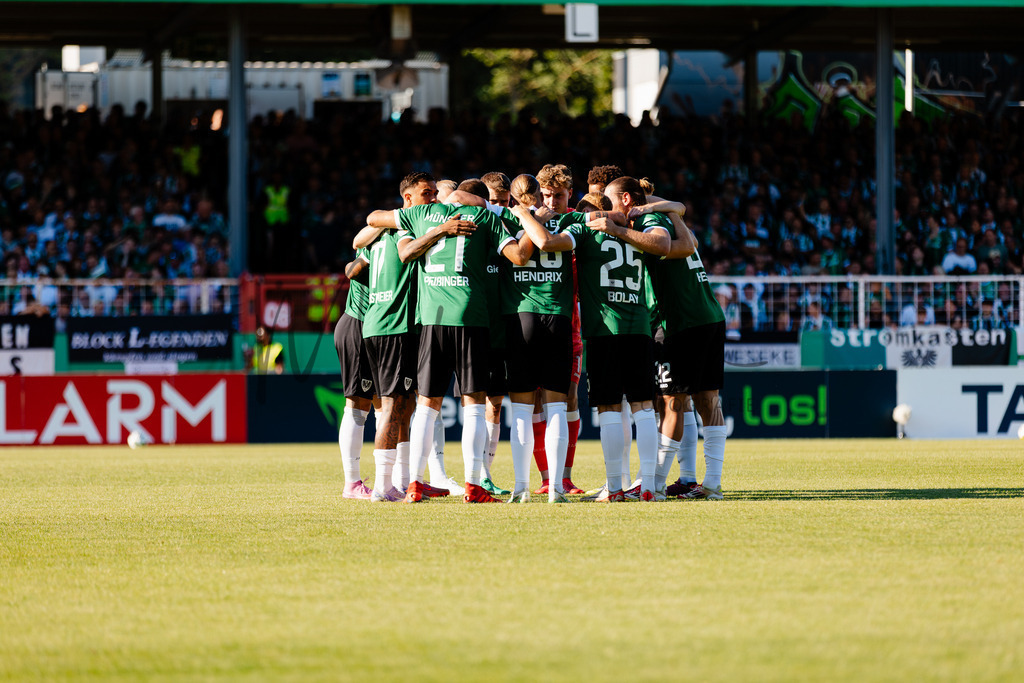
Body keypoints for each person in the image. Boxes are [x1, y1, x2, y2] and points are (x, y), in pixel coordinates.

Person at [364, 176, 536, 503]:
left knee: (427, 405)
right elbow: (518, 256)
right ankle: (474, 485)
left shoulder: (421, 215)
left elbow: (374, 217)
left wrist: (431, 226)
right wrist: (531, 221)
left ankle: (414, 483)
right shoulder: (486, 218)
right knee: (473, 403)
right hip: (470, 316)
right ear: (481, 199)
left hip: (431, 318)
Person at [520, 175, 670, 501]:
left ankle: (614, 487)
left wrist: (524, 215)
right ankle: (648, 487)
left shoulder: (584, 228)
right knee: (644, 408)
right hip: (639, 326)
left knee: (609, 409)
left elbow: (549, 242)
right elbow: (664, 245)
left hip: (603, 329)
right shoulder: (637, 229)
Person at [333, 253, 377, 500]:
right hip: (357, 326)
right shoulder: (375, 245)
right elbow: (351, 269)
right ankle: (351, 483)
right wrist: (363, 259)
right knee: (357, 405)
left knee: (379, 403)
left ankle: (391, 479)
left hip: (373, 329)